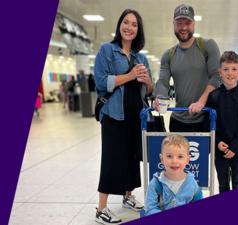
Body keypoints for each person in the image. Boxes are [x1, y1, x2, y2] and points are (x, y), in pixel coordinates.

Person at [94, 9, 153, 225]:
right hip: (113, 115)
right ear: (119, 25)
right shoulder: (107, 51)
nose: (129, 27)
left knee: (131, 158)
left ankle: (128, 196)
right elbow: (101, 82)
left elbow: (148, 91)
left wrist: (147, 82)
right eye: (126, 22)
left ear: (138, 31)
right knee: (111, 159)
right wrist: (130, 75)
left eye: (134, 24)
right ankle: (101, 208)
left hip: (135, 115)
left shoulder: (141, 57)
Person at [154, 4, 221, 132]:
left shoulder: (207, 46)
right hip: (178, 121)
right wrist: (160, 97)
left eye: (187, 23)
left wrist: (201, 102)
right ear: (173, 24)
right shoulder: (168, 55)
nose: (183, 27)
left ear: (194, 24)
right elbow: (163, 82)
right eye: (179, 23)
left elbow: (216, 76)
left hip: (205, 119)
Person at [206, 51, 238, 193]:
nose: (230, 73)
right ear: (219, 72)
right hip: (220, 148)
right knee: (223, 183)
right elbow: (207, 122)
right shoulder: (213, 96)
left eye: (234, 69)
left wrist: (234, 147)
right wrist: (217, 142)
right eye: (226, 69)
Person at [144, 134, 202, 216]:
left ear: (187, 160)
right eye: (169, 156)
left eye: (180, 157)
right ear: (162, 159)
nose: (174, 161)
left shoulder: (193, 184)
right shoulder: (156, 183)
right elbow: (150, 209)